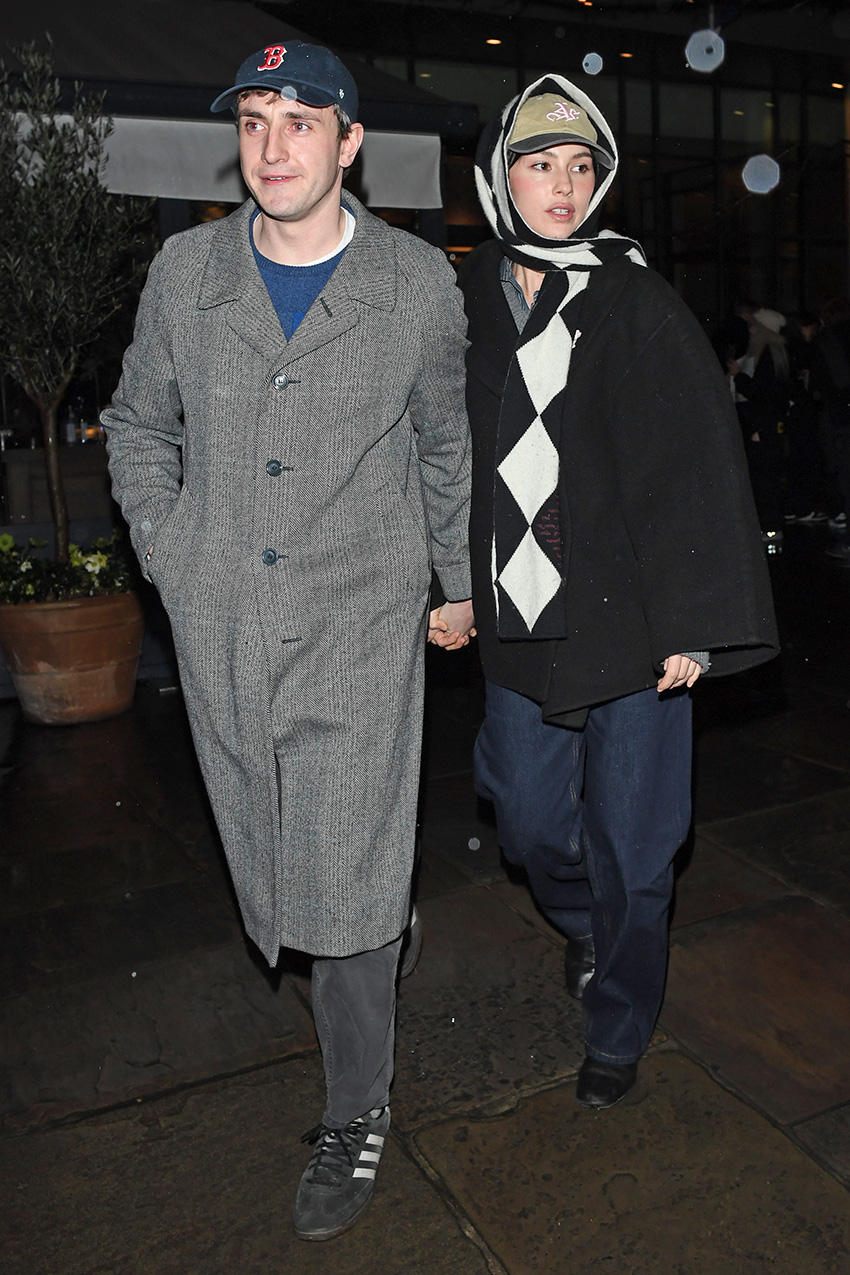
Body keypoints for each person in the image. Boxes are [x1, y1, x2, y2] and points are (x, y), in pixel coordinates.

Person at [103, 41, 473, 1242]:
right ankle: (370, 919)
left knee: (346, 886)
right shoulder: (184, 270)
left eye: (300, 123)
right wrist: (173, 553)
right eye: (255, 121)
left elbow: (442, 448)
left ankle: (355, 1108)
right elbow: (135, 424)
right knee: (273, 855)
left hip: (362, 622)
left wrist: (454, 583)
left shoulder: (417, 284)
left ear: (350, 143)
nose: (272, 147)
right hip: (224, 620)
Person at [457, 74, 778, 1111]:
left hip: (638, 623)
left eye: (580, 166)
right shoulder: (460, 301)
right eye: (537, 163)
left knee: (638, 845)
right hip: (520, 621)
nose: (560, 184)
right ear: (499, 176)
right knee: (527, 819)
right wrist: (436, 579)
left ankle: (618, 1022)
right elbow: (428, 454)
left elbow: (694, 465)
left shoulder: (636, 300)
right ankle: (585, 923)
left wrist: (696, 626)